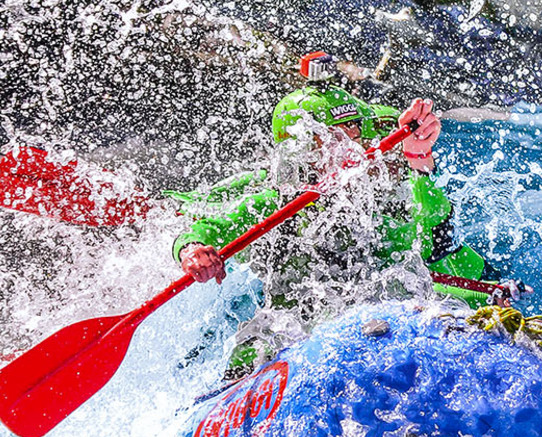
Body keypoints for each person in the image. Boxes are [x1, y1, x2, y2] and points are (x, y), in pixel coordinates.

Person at [174, 50, 503, 377]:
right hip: (288, 326)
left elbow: (425, 219)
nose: (349, 151)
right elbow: (204, 231)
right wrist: (193, 251)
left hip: (369, 318)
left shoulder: (375, 197)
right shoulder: (270, 202)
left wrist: (418, 160)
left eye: (355, 136)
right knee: (254, 345)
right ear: (298, 148)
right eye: (332, 140)